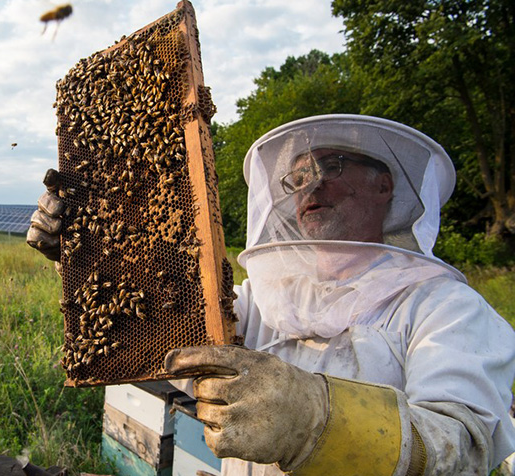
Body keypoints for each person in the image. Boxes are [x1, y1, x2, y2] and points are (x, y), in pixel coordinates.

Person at [27, 114, 515, 475]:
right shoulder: (263, 299)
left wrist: (314, 419)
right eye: (297, 177)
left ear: (383, 184)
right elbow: (164, 335)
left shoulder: (446, 310)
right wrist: (88, 260)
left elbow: (465, 448)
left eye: (331, 165)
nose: (308, 188)